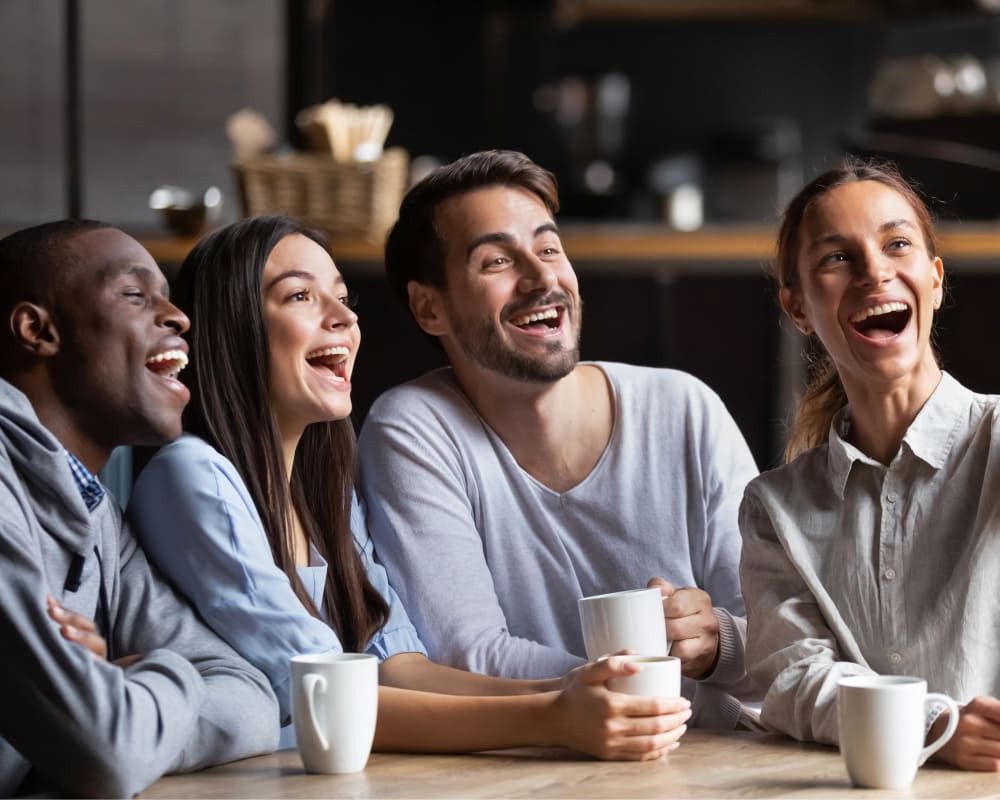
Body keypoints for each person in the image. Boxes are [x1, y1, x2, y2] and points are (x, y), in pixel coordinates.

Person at [127, 214, 691, 761]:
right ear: (233, 327)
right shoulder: (191, 476)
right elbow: (327, 698)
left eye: (344, 299)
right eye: (300, 296)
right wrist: (552, 720)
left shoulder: (323, 495)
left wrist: (574, 689)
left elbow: (399, 665)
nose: (343, 319)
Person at [358, 150, 760, 729]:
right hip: (539, 772)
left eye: (549, 248)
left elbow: (780, 644)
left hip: (719, 769)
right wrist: (601, 704)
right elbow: (467, 654)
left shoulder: (684, 409)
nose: (543, 276)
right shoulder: (415, 429)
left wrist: (717, 642)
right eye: (497, 260)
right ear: (430, 308)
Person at [0, 220, 278, 798]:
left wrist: (120, 688)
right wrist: (155, 675)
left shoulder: (96, 508)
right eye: (135, 294)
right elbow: (106, 752)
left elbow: (251, 700)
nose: (178, 316)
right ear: (37, 329)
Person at [739, 158, 1000, 771]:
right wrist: (930, 723)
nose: (874, 272)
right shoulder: (774, 509)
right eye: (837, 258)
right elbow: (792, 677)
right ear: (797, 307)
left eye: (897, 245)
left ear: (934, 279)